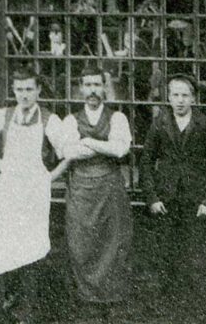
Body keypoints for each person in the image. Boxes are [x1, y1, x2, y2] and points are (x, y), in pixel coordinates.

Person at [0, 66, 67, 324]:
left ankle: (25, 314)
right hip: (7, 194)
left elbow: (68, 153)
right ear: (13, 90)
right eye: (19, 89)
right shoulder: (3, 116)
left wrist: (49, 177)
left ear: (38, 90)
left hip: (34, 196)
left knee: (30, 252)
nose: (24, 95)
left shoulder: (50, 120)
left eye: (29, 89)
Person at [139, 73, 206, 317]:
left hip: (196, 205)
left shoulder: (205, 125)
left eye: (185, 95)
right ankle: (168, 312)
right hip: (166, 203)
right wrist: (152, 198)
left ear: (194, 99)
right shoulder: (160, 124)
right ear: (168, 98)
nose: (180, 100)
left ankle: (194, 312)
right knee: (166, 256)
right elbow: (145, 163)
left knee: (195, 258)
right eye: (175, 95)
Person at [60, 64, 133, 318]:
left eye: (97, 85)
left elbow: (121, 149)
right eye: (88, 85)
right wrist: (105, 146)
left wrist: (88, 142)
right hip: (81, 192)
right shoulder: (71, 120)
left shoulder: (117, 118)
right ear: (81, 88)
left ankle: (112, 305)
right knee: (83, 246)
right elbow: (66, 151)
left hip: (109, 190)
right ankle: (88, 304)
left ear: (104, 87)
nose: (92, 90)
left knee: (112, 245)